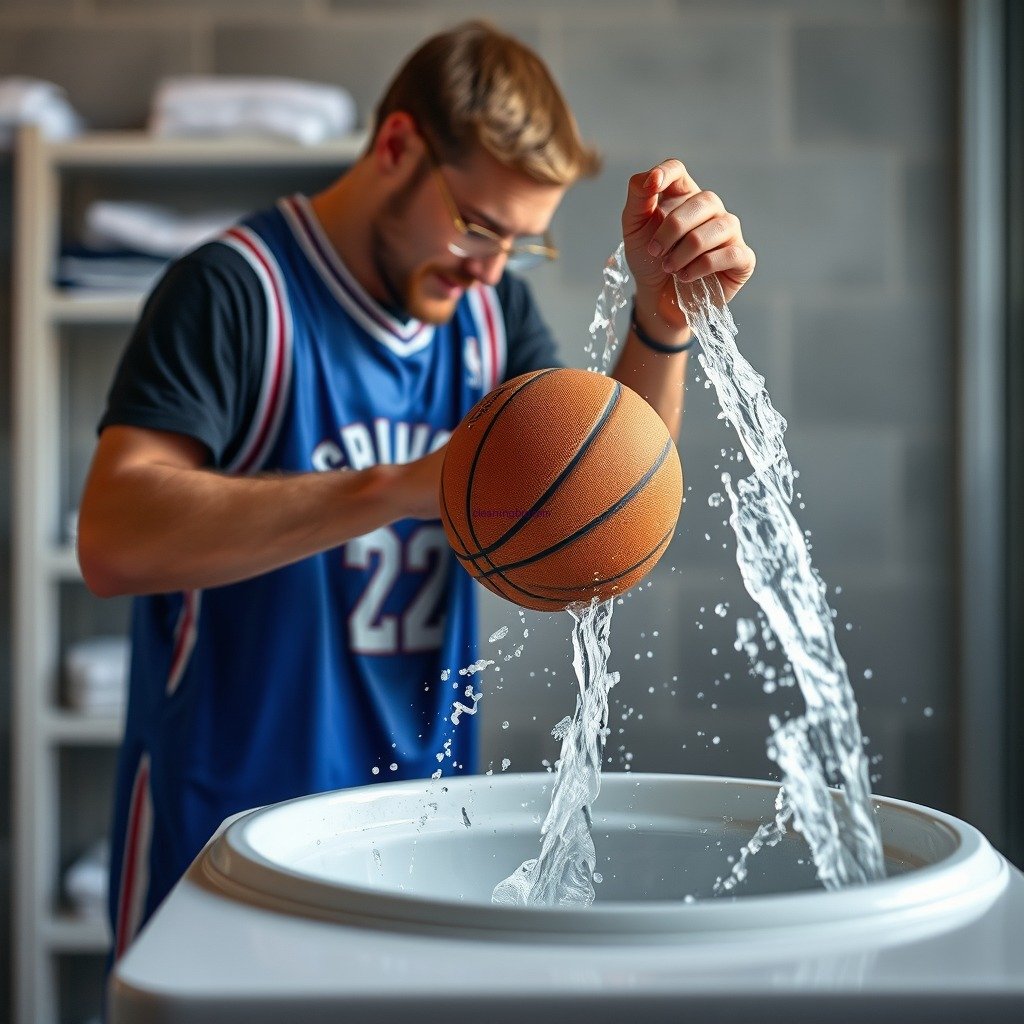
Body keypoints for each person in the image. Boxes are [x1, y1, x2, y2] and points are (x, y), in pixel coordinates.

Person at [78, 20, 755, 956]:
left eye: (521, 245)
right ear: (395, 145)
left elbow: (601, 510)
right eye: (480, 225)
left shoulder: (486, 313)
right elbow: (113, 540)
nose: (490, 265)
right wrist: (402, 486)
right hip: (222, 834)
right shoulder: (235, 292)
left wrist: (662, 319)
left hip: (415, 837)